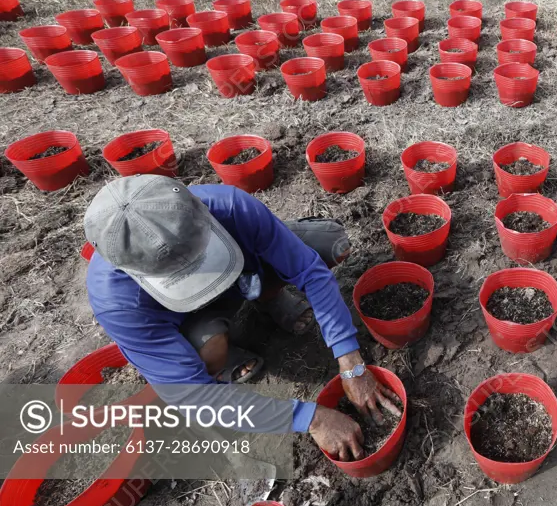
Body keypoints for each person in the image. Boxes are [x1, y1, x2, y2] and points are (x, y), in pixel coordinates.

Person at [84, 174, 398, 461]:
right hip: (194, 320)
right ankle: (222, 349)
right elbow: (194, 397)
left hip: (245, 276)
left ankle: (271, 300)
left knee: (330, 242)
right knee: (208, 355)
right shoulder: (117, 301)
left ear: (201, 212)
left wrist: (351, 362)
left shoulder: (228, 205)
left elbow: (309, 271)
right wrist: (311, 418)